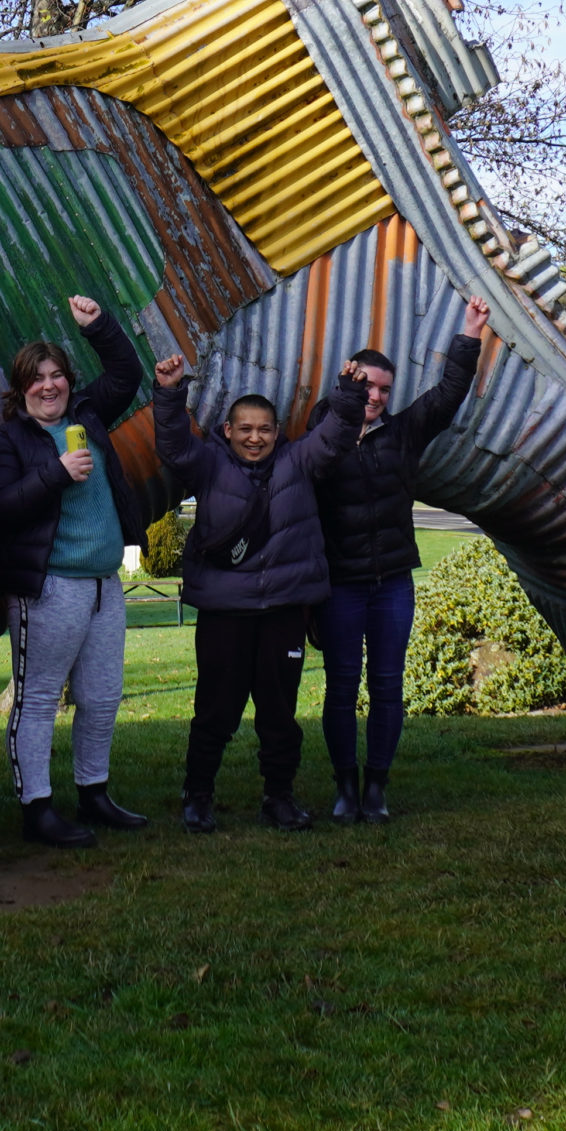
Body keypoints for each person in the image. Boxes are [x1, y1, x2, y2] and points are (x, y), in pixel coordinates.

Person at [153, 353, 368, 833]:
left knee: (279, 713)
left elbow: (334, 438)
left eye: (265, 429)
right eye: (245, 429)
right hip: (224, 613)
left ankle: (279, 797)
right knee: (214, 709)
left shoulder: (298, 461)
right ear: (227, 431)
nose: (255, 437)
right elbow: (172, 445)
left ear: (277, 433)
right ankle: (198, 796)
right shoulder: (207, 463)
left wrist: (351, 393)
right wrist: (168, 394)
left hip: (283, 611)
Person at [306, 297, 490, 824]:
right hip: (340, 585)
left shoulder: (404, 433)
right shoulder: (323, 438)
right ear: (348, 384)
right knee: (341, 686)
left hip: (391, 584)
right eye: (366, 386)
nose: (377, 397)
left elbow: (449, 392)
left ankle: (376, 789)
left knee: (387, 684)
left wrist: (470, 332)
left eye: (385, 389)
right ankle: (344, 787)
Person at [0, 295, 151, 850]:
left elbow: (127, 373)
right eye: (37, 378)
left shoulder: (88, 414)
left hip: (104, 585)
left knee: (101, 696)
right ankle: (37, 808)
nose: (49, 386)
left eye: (57, 376)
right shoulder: (8, 441)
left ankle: (94, 793)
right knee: (40, 697)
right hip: (49, 588)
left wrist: (97, 325)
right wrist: (54, 474)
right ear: (20, 386)